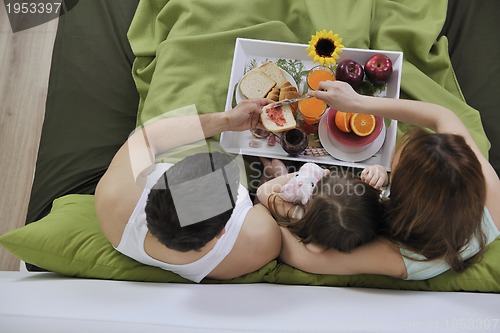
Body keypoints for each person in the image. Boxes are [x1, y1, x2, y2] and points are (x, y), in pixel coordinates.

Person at [278, 80, 500, 280]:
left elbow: (306, 257)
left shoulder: (405, 257)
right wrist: (358, 102)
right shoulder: (485, 180)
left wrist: (278, 199)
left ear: (399, 199)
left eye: (395, 170)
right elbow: (443, 116)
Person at [95, 99, 281, 283]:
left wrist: (226, 120)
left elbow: (146, 137)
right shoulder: (258, 241)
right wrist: (274, 178)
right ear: (221, 231)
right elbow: (267, 202)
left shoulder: (114, 196)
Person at [256, 161, 385, 253]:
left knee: (271, 177)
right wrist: (379, 171)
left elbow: (263, 191)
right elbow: (382, 191)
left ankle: (272, 172)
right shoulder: (368, 211)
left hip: (271, 203)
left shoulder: (300, 214)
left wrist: (305, 176)